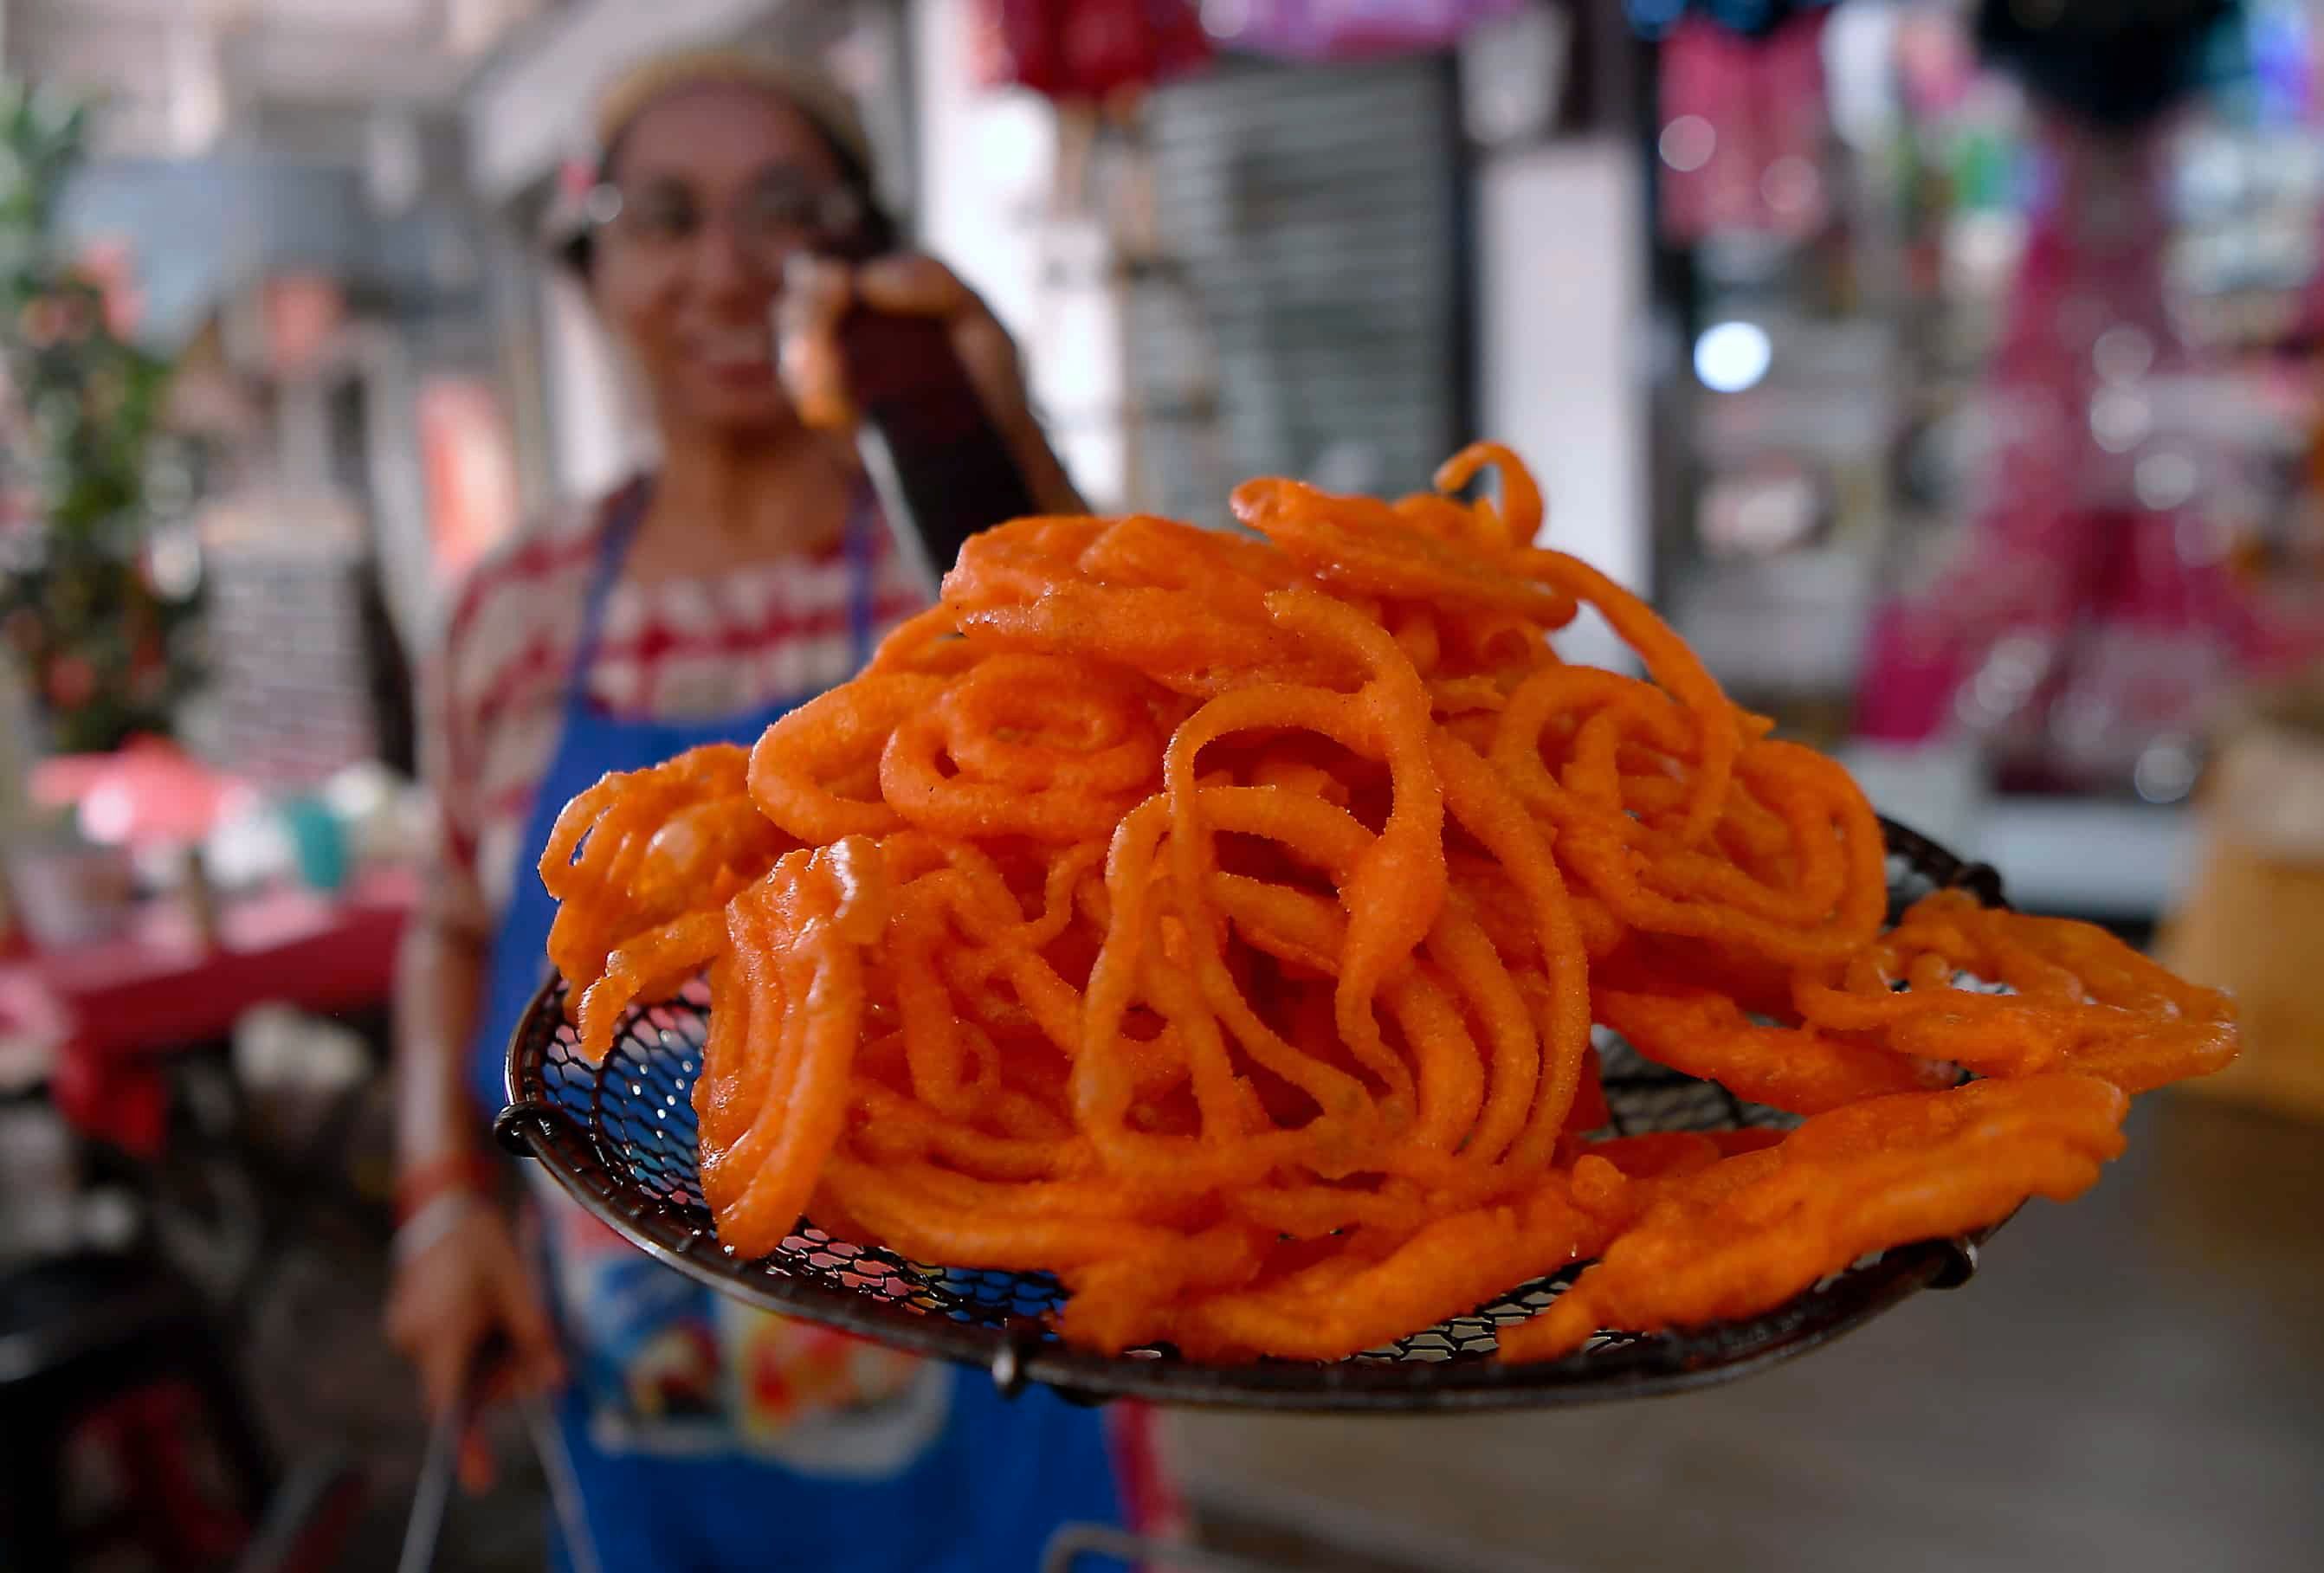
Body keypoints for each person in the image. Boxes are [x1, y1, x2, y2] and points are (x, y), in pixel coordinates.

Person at [384, 48, 1169, 1571]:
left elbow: (1158, 817)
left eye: (783, 213)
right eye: (664, 217)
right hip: (642, 1373)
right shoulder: (513, 615)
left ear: (859, 258)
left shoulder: (973, 574)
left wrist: (1000, 438)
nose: (724, 268)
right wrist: (435, 1203)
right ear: (595, 264)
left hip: (1003, 1349)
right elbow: (450, 918)